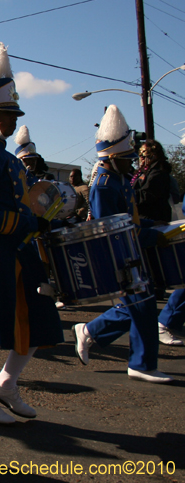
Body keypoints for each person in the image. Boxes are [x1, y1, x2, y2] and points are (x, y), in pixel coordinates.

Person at [0, 42, 63, 424]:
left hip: (17, 250)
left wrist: (42, 215)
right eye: (6, 113)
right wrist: (22, 222)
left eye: (14, 112)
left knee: (39, 320)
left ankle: (7, 382)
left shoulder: (3, 156)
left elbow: (21, 203)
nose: (12, 119)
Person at [71, 105, 172, 383]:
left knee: (142, 304)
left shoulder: (119, 178)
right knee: (142, 304)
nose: (133, 163)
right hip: (121, 254)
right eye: (127, 158)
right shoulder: (103, 184)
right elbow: (110, 230)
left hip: (133, 249)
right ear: (113, 157)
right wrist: (151, 236)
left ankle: (93, 333)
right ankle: (140, 363)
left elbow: (131, 219)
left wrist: (155, 226)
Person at [134, 140, 173, 223]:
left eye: (144, 155)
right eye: (140, 155)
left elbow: (147, 195)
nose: (141, 158)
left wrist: (129, 195)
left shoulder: (158, 172)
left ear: (154, 155)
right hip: (145, 216)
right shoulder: (145, 172)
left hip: (153, 217)